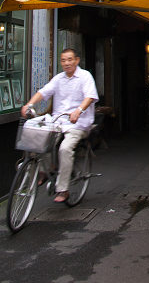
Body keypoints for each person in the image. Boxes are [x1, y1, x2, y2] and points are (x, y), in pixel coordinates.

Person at [21, 48, 99, 204]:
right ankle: (43, 170)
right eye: (63, 60)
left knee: (65, 148)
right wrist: (29, 104)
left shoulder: (85, 77)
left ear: (76, 60)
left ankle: (63, 189)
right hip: (58, 121)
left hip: (78, 123)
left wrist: (79, 110)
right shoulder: (59, 78)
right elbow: (44, 92)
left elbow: (90, 96)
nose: (67, 63)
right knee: (37, 136)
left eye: (70, 59)